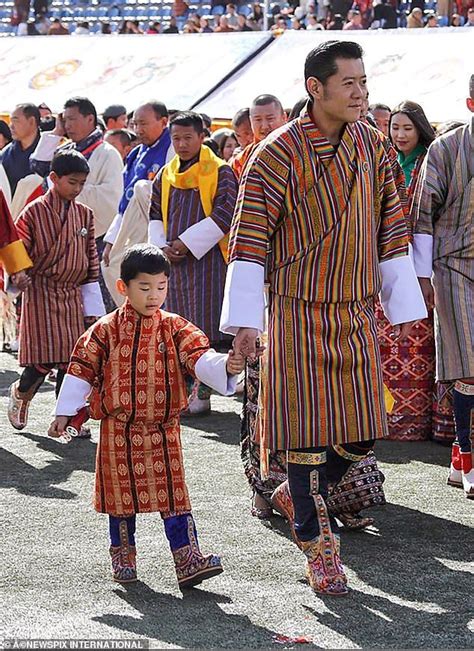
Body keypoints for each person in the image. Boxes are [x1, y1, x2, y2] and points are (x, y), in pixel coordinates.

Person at [220, 40, 427, 596]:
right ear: (316, 88)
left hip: (356, 309)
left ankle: (294, 492)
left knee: (362, 431)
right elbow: (250, 241)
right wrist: (246, 322)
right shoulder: (275, 154)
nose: (360, 93)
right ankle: (319, 549)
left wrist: (404, 306)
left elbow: (392, 228)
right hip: (295, 310)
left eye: (364, 82)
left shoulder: (374, 145)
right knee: (305, 439)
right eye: (350, 83)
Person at [48, 243, 244, 586]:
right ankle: (124, 561)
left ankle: (188, 562)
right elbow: (81, 369)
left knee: (174, 494)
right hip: (117, 428)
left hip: (162, 427)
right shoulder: (104, 330)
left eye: (161, 287)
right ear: (123, 287)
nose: (154, 295)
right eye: (145, 287)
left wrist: (226, 364)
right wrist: (65, 413)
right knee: (120, 500)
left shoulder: (175, 327)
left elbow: (198, 356)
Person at [7, 150, 104, 433]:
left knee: (71, 361)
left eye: (82, 183)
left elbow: (92, 263)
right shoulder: (33, 211)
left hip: (72, 294)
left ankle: (67, 419)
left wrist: (92, 309)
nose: (77, 189)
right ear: (54, 178)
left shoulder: (85, 215)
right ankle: (21, 394)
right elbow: (18, 249)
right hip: (41, 290)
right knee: (43, 359)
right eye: (72, 182)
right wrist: (19, 274)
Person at [148, 111, 237, 415]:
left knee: (205, 327)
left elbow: (226, 214)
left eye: (188, 137)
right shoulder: (166, 174)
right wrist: (162, 246)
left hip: (208, 261)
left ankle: (201, 394)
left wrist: (187, 242)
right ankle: (181, 393)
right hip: (173, 263)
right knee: (176, 328)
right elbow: (154, 214)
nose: (182, 144)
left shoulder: (221, 172)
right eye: (176, 138)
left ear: (202, 137)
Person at [412, 76, 474, 499]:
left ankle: (457, 456)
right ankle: (469, 460)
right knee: (467, 365)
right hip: (454, 266)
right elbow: (421, 215)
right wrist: (421, 278)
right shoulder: (446, 148)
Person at [30, 96, 124, 310]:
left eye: (72, 119)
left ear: (90, 118)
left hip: (93, 237)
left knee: (97, 303)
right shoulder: (67, 149)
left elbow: (110, 199)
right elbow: (37, 166)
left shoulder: (108, 153)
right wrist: (56, 133)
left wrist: (67, 189)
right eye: (65, 120)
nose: (68, 125)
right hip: (62, 236)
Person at [102, 101, 174, 278]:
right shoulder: (136, 153)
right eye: (135, 124)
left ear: (164, 122)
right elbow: (124, 201)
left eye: (143, 123)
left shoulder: (173, 148)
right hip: (133, 223)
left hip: (161, 229)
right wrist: (112, 240)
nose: (138, 129)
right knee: (113, 267)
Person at [231, 94, 287, 180]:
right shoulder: (241, 160)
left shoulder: (299, 150)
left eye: (270, 118)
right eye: (258, 120)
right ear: (251, 121)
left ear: (284, 118)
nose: (264, 126)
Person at [0, 104, 40, 197]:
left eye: (15, 120)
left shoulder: (46, 152)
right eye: (10, 121)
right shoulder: (6, 153)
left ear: (31, 121)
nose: (11, 126)